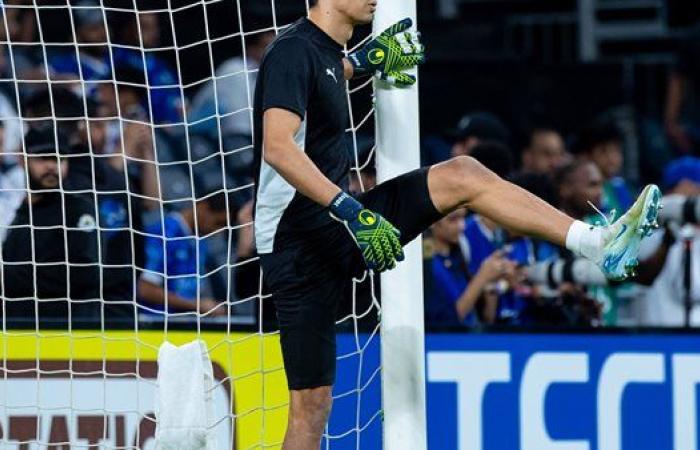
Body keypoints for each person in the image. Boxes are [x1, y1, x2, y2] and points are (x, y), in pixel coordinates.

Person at [253, 1, 660, 448]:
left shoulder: (328, 54)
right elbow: (278, 147)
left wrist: (362, 63)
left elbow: (329, 75)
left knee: (464, 173)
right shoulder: (290, 51)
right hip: (299, 241)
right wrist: (353, 210)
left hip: (338, 222)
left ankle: (596, 242)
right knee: (311, 406)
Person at [1, 127, 99, 323]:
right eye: (43, 158)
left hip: (65, 331)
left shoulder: (78, 210)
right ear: (22, 159)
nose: (52, 166)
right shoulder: (20, 212)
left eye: (59, 159)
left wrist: (5, 276)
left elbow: (82, 272)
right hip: (17, 331)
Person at [138, 192, 231, 316]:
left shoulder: (201, 239)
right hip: (155, 325)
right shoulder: (163, 234)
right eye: (219, 222)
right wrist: (196, 305)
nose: (217, 231)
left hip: (186, 325)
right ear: (203, 206)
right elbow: (145, 289)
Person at [424, 209, 511, 327]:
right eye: (453, 219)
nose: (462, 226)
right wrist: (482, 277)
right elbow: (448, 321)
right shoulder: (428, 266)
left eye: (463, 218)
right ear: (432, 222)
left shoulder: (459, 258)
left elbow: (487, 318)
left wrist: (493, 282)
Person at [574, 119, 633, 218]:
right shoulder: (585, 192)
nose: (611, 157)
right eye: (603, 151)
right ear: (586, 156)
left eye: (616, 150)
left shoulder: (619, 185)